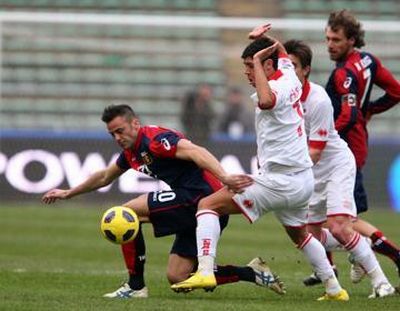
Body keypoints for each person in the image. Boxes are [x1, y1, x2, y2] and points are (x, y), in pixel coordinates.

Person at [172, 25, 349, 301]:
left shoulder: (276, 87)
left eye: (250, 66)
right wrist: (266, 40)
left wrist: (257, 59)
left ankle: (205, 269)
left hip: (281, 180)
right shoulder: (289, 75)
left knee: (208, 205)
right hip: (302, 181)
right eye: (245, 66)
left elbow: (266, 101)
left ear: (267, 65)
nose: (247, 73)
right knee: (299, 235)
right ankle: (335, 289)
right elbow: (279, 52)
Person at [42, 104, 285, 298]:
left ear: (134, 123)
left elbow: (195, 151)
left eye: (120, 130)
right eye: (112, 134)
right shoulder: (131, 152)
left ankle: (135, 287)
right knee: (178, 276)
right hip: (196, 208)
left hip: (201, 197)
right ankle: (251, 273)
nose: (117, 137)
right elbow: (105, 176)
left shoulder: (156, 140)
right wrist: (67, 193)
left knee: (126, 214)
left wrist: (224, 177)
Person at [284, 39, 395, 298]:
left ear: (305, 70)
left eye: (294, 67)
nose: (288, 73)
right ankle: (361, 245)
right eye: (284, 68)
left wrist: (284, 175)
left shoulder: (318, 99)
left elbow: (316, 150)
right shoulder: (282, 99)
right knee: (307, 236)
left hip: (335, 164)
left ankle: (382, 283)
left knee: (338, 226)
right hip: (311, 171)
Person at [324, 9, 400, 282]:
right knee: (330, 213)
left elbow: (348, 114)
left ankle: (388, 255)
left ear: (352, 40)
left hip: (345, 150)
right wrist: (371, 109)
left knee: (343, 221)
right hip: (358, 144)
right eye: (328, 39)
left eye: (336, 39)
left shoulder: (344, 72)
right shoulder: (368, 61)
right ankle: (336, 264)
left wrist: (325, 137)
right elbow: (396, 92)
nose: (330, 44)